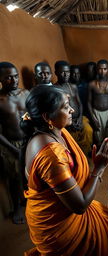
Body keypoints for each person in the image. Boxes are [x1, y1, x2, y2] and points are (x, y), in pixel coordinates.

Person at [20, 85, 108, 256]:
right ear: (47, 117)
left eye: (69, 104)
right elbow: (80, 206)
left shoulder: (56, 131)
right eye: (65, 106)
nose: (72, 110)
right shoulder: (51, 156)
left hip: (65, 210)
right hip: (58, 228)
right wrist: (98, 169)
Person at [0, 62, 29, 224]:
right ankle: (17, 207)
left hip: (29, 139)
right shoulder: (0, 100)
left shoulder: (25, 93)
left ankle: (30, 199)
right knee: (15, 178)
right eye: (8, 77)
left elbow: (33, 116)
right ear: (1, 80)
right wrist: (13, 149)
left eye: (16, 76)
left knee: (33, 173)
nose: (14, 80)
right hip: (10, 144)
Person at [54, 60, 93, 155]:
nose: (66, 74)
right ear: (56, 73)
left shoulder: (73, 86)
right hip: (66, 121)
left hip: (78, 118)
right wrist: (69, 123)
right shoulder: (55, 89)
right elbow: (58, 110)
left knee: (88, 130)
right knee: (71, 139)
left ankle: (86, 154)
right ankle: (78, 157)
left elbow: (79, 104)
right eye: (62, 72)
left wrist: (79, 119)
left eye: (67, 72)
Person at [88, 59, 108, 147]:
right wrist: (93, 117)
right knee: (98, 135)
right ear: (97, 70)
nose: (102, 71)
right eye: (100, 69)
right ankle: (99, 155)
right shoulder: (92, 84)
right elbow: (89, 102)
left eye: (105, 69)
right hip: (96, 112)